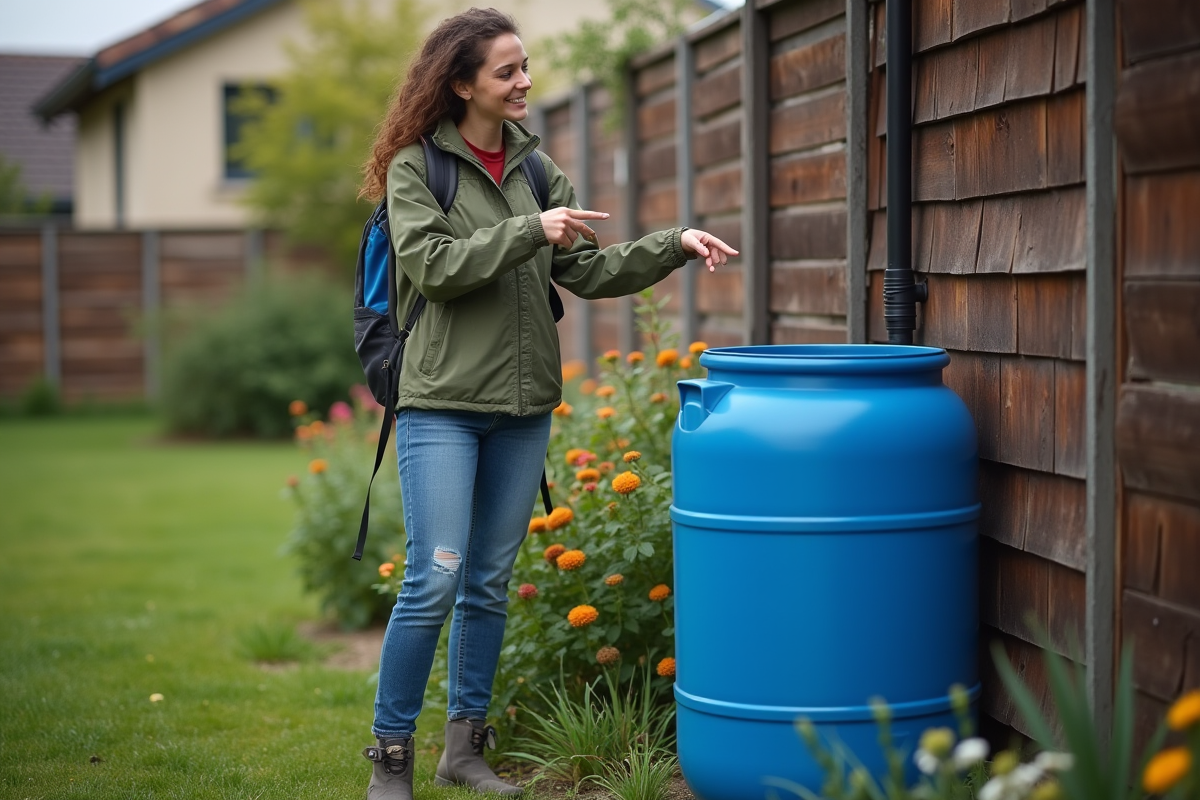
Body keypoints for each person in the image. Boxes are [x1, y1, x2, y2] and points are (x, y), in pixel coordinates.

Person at [356, 8, 737, 799]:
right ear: (462, 84)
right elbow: (431, 267)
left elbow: (591, 271)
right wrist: (531, 230)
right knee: (435, 576)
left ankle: (465, 748)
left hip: (523, 405)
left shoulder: (534, 168)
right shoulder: (417, 168)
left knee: (489, 582)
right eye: (506, 70)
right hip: (441, 405)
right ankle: (390, 756)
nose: (524, 80)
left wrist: (674, 242)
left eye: (524, 65)